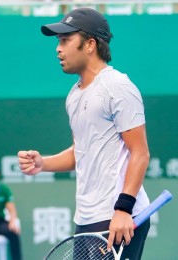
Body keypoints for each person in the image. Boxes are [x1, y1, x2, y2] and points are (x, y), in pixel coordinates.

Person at [18, 8, 150, 260]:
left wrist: (123, 209)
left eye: (65, 40)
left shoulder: (118, 86)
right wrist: (43, 163)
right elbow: (81, 152)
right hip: (86, 219)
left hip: (118, 217)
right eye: (58, 41)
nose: (58, 48)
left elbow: (140, 153)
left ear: (90, 44)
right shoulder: (74, 95)